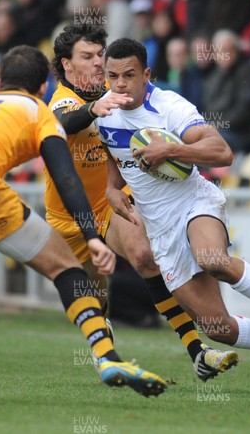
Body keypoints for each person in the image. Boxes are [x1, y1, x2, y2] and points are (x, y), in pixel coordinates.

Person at [0, 45, 168, 400]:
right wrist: (92, 237)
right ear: (43, 88)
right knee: (67, 268)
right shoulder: (39, 110)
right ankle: (108, 357)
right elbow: (65, 176)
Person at [96, 38, 250, 395]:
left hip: (195, 202)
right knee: (217, 328)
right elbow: (121, 165)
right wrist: (112, 191)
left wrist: (172, 148)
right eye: (112, 76)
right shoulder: (104, 117)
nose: (120, 84)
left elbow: (222, 152)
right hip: (162, 232)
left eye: (128, 75)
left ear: (146, 74)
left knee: (213, 260)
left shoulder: (169, 106)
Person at [47, 23, 238, 382]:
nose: (96, 63)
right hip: (69, 214)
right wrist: (94, 110)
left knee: (144, 255)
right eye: (86, 57)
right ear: (66, 66)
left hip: (109, 204)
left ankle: (197, 351)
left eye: (98, 56)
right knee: (93, 296)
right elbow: (62, 123)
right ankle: (104, 345)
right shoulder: (64, 100)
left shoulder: (116, 87)